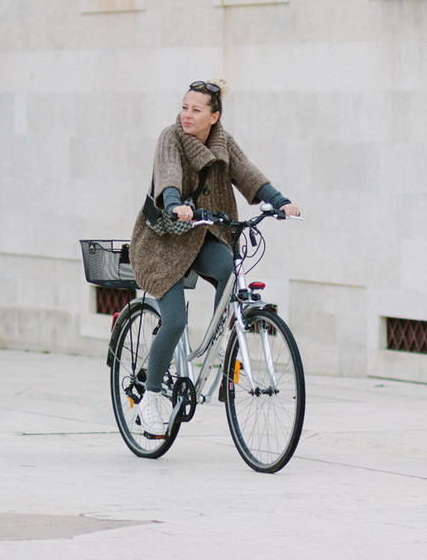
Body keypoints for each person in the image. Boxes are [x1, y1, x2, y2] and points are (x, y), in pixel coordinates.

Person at [129, 80, 301, 437]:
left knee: (229, 268)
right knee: (175, 321)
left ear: (214, 116)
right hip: (162, 243)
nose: (186, 115)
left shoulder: (223, 142)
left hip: (202, 237)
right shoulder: (170, 137)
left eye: (196, 109)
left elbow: (247, 173)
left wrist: (279, 200)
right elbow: (168, 174)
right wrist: (175, 203)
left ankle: (224, 350)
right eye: (184, 107)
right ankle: (151, 398)